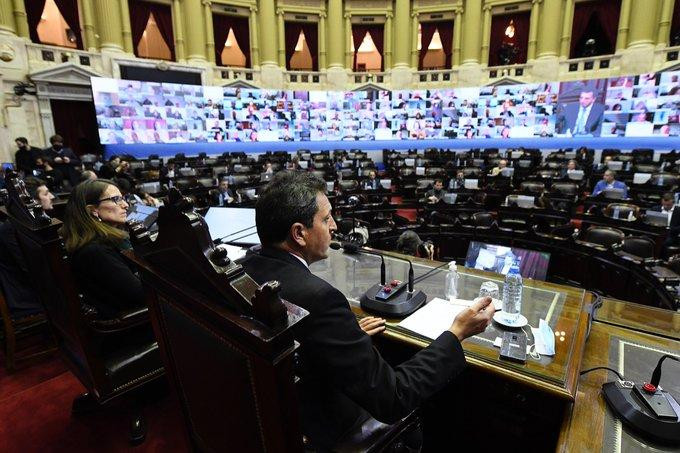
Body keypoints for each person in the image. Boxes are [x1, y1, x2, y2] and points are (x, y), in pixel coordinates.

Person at [239, 171, 494, 450]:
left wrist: (340, 337)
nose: (334, 226)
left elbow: (292, 337)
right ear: (299, 233)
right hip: (322, 429)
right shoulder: (321, 300)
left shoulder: (245, 270)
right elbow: (393, 398)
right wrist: (457, 333)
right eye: (326, 219)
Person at [60, 179, 145, 320]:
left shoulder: (102, 240)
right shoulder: (95, 252)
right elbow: (141, 295)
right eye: (116, 199)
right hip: (131, 326)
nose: (125, 205)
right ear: (93, 210)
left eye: (122, 198)